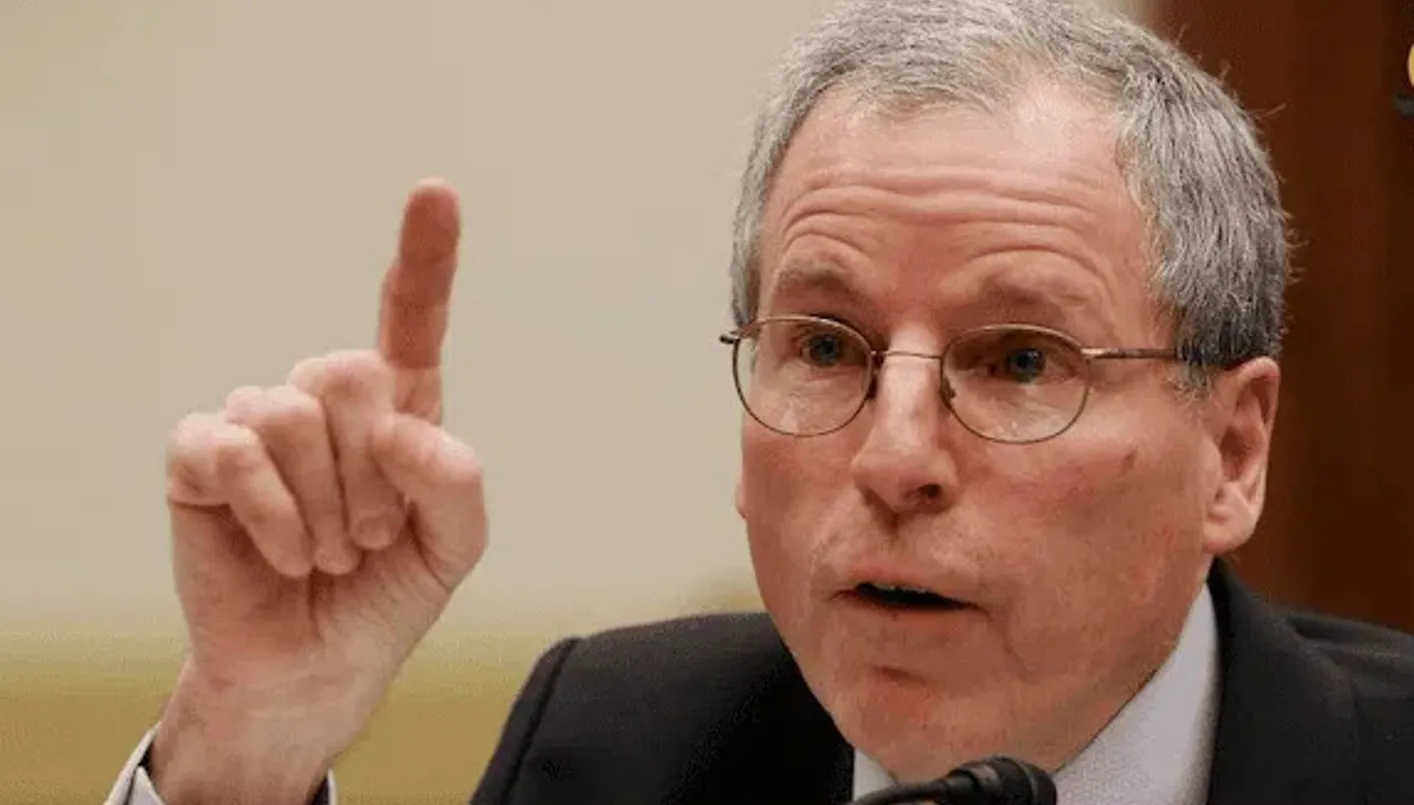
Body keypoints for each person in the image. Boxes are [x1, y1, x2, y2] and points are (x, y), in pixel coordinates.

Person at [103, 0, 1414, 803]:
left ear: (1230, 453)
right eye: (827, 348)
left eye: (1019, 361)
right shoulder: (618, 752)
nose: (893, 457)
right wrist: (242, 755)